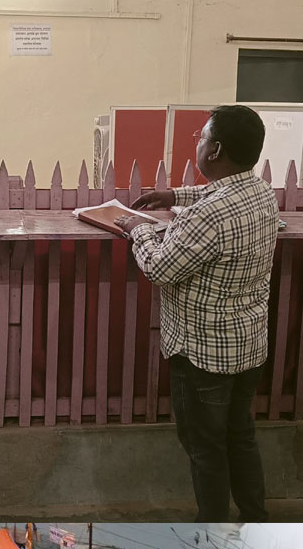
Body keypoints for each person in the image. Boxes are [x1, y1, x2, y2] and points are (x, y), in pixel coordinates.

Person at [115, 105, 276, 522]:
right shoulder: (262, 193)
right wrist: (174, 196)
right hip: (247, 346)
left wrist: (138, 230)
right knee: (240, 437)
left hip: (202, 353)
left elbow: (160, 268)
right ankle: (255, 522)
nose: (198, 144)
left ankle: (212, 532)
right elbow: (218, 195)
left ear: (216, 149)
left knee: (205, 448)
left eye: (201, 138)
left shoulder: (209, 215)